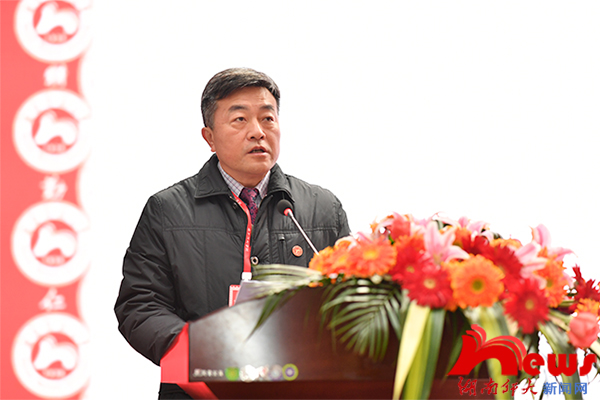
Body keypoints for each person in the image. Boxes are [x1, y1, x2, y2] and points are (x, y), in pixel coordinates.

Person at [114, 67, 350, 399]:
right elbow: (140, 304)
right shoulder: (167, 210)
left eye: (268, 119)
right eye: (240, 119)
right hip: (199, 390)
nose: (258, 132)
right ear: (209, 137)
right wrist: (198, 350)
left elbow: (351, 302)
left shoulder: (322, 208)